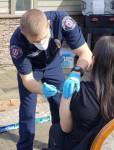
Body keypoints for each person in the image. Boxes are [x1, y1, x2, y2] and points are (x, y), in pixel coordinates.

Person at [9, 9, 92, 150]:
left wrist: (76, 73)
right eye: (36, 42)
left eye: (44, 37)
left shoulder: (62, 22)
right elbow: (28, 80)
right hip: (32, 70)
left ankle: (57, 144)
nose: (41, 43)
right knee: (27, 112)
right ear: (24, 34)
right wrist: (41, 89)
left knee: (61, 106)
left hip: (53, 65)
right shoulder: (17, 43)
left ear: (48, 24)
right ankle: (24, 147)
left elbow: (85, 53)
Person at [48, 36, 114, 150]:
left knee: (56, 130)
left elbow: (65, 127)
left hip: (85, 146)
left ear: (95, 60)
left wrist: (65, 95)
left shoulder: (79, 91)